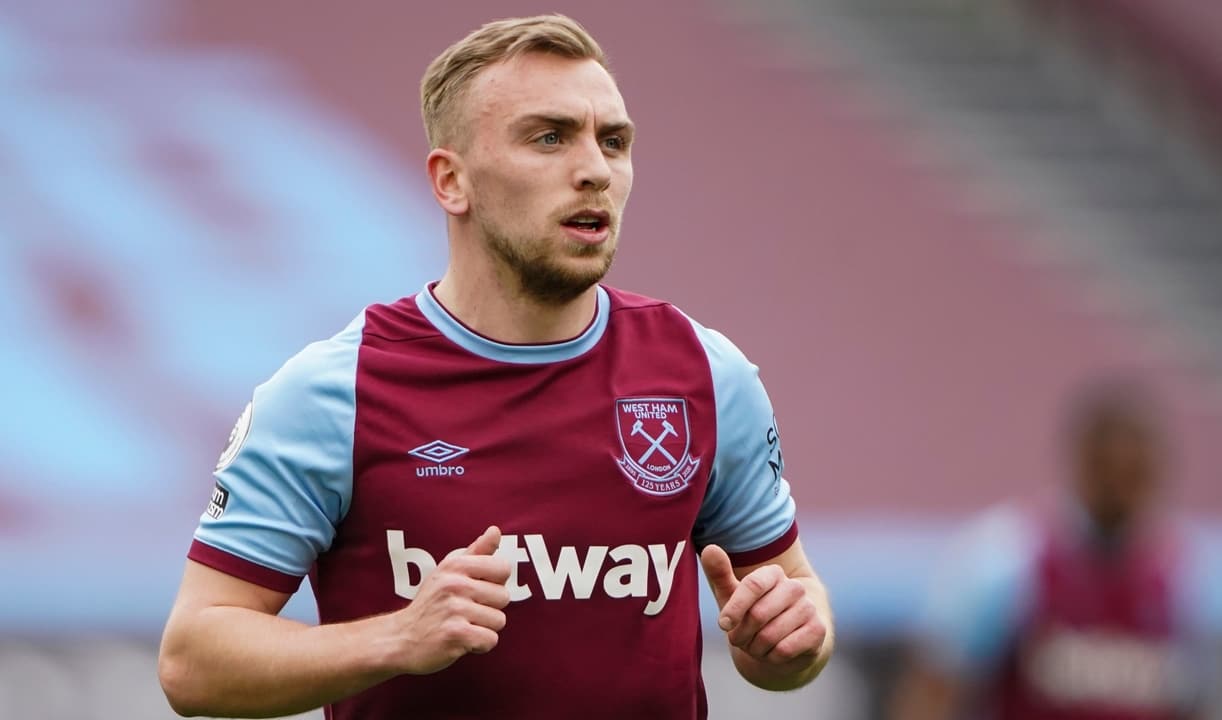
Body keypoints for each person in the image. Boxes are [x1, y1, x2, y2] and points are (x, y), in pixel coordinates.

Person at [157, 14, 834, 719]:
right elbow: (194, 661)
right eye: (550, 138)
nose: (594, 170)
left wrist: (790, 642)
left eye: (614, 142)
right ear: (452, 181)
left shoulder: (705, 372)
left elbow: (793, 612)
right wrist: (395, 638)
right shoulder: (333, 393)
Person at [889, 382, 1217, 720]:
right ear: (1082, 462)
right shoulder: (1007, 556)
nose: (1121, 488)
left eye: (1134, 473)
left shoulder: (1184, 576)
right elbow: (933, 689)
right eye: (1108, 469)